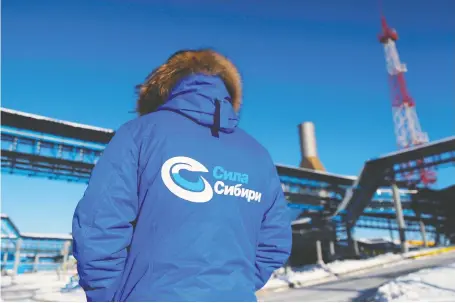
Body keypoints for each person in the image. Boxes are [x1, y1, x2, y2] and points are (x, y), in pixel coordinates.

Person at [72, 49, 292, 302]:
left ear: (162, 86)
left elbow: (99, 226)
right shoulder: (258, 155)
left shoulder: (138, 135)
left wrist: (107, 296)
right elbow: (274, 242)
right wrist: (232, 287)